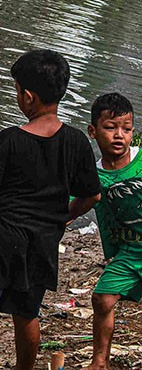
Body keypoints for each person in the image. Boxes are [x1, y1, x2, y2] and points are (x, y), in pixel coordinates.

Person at [0, 49, 101, 370]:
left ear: (28, 96)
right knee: (27, 314)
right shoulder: (77, 143)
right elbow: (91, 197)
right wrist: (62, 217)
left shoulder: (9, 141)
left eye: (16, 90)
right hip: (40, 245)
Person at [75, 93, 141, 370]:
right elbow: (71, 206)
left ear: (133, 133)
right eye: (110, 127)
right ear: (92, 131)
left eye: (126, 129)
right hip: (129, 251)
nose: (119, 135)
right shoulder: (93, 175)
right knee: (102, 298)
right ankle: (99, 362)